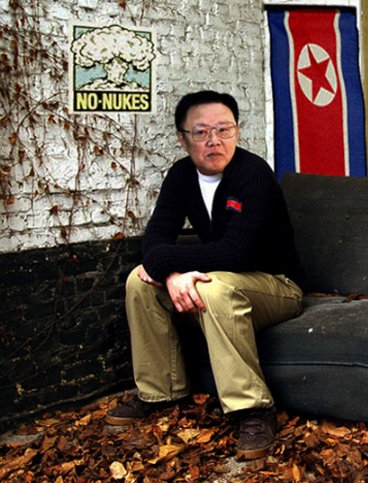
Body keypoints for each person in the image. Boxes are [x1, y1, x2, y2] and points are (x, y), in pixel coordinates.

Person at [106, 90, 305, 461]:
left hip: (276, 285)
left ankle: (253, 409)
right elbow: (156, 237)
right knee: (139, 282)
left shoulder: (253, 174)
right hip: (222, 278)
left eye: (224, 130)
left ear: (237, 132)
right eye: (201, 132)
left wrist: (167, 262)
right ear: (182, 139)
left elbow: (236, 252)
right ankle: (161, 392)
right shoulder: (181, 176)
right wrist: (171, 274)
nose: (214, 141)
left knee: (214, 290)